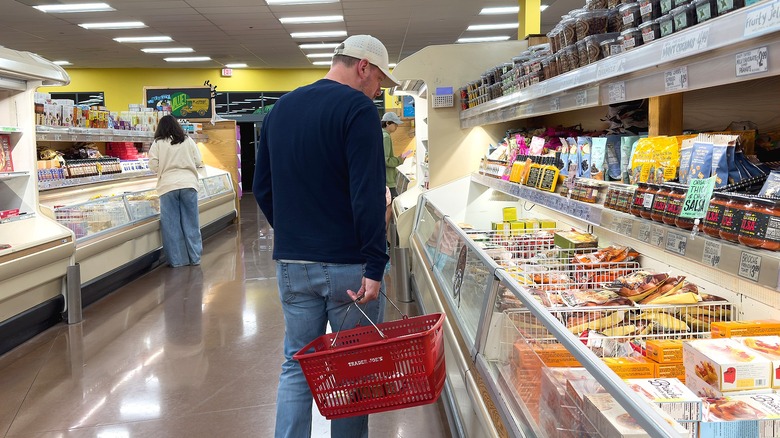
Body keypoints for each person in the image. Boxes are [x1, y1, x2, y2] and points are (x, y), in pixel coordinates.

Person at [253, 34, 400, 438]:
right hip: (349, 267)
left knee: (297, 364)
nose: (376, 92)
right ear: (363, 67)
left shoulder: (281, 108)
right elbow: (367, 192)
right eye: (377, 83)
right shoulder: (357, 109)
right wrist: (375, 260)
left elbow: (261, 187)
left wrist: (292, 234)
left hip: (292, 265)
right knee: (354, 366)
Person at [149, 114, 203, 267]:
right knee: (191, 223)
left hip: (168, 186)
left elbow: (153, 165)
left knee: (171, 225)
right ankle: (195, 258)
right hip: (188, 184)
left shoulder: (158, 143)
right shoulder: (187, 140)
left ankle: (178, 261)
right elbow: (198, 161)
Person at [381, 111, 411, 199]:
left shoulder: (381, 134)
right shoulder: (385, 137)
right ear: (387, 123)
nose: (397, 127)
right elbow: (385, 160)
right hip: (388, 179)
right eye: (395, 124)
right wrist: (399, 160)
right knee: (391, 205)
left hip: (384, 178)